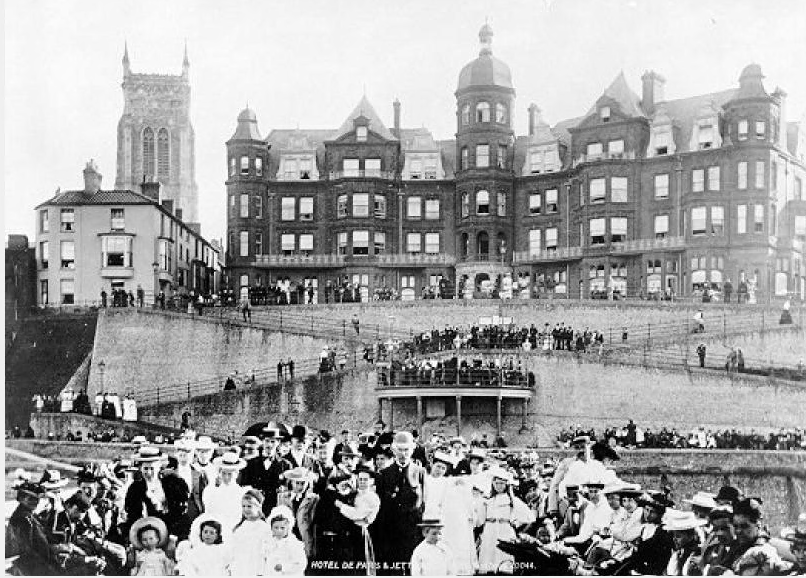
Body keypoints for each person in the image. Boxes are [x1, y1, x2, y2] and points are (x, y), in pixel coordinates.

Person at [374, 431, 426, 573]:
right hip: (391, 530)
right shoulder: (384, 474)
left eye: (406, 450)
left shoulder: (420, 472)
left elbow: (424, 503)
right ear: (393, 450)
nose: (403, 454)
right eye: (400, 450)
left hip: (412, 529)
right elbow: (380, 505)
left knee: (412, 567)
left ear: (413, 449)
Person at [477, 466, 534, 574]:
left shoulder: (512, 500)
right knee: (488, 558)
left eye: (502, 483)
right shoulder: (488, 500)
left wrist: (516, 523)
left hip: (504, 530)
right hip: (490, 530)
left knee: (503, 557)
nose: (499, 486)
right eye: (496, 483)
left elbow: (530, 517)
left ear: (506, 485)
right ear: (493, 484)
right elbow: (480, 519)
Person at [5, 481, 66, 575]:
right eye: (31, 498)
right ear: (21, 498)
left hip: (39, 560)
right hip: (32, 565)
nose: (35, 502)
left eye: (37, 499)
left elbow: (46, 530)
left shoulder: (29, 515)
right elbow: (28, 550)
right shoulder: (22, 519)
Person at [202, 451, 247, 535]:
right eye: (223, 473)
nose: (226, 477)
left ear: (236, 474)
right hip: (215, 531)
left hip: (235, 531)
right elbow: (208, 513)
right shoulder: (211, 491)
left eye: (230, 474)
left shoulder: (242, 493)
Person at [230, 489, 270, 575]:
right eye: (243, 506)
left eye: (249, 506)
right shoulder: (239, 528)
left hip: (256, 569)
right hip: (240, 569)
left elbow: (267, 553)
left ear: (258, 507)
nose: (246, 509)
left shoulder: (264, 528)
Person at [264, 505, 308, 576]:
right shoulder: (268, 542)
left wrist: (284, 567)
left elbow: (301, 564)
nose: (279, 531)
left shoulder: (294, 544)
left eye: (282, 528)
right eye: (276, 527)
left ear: (288, 528)